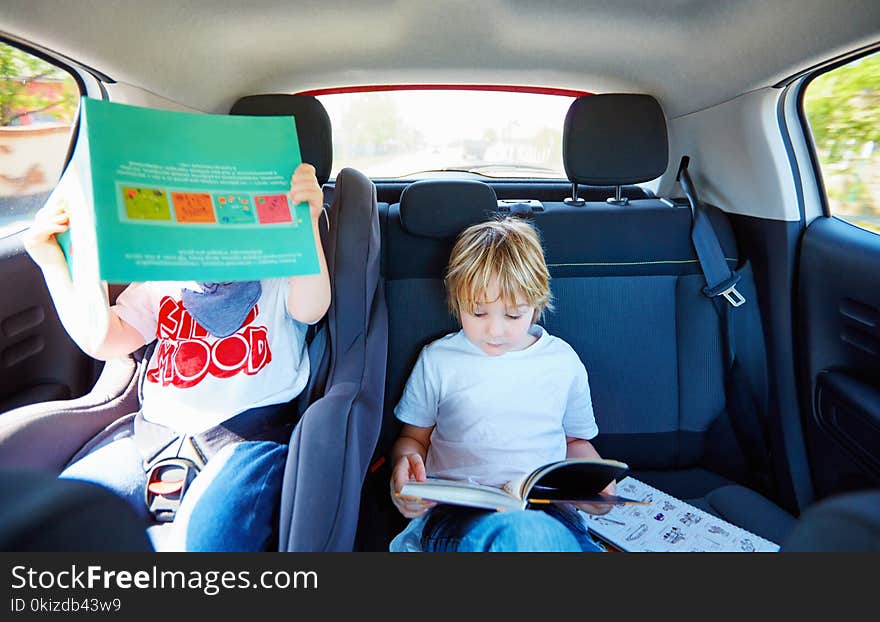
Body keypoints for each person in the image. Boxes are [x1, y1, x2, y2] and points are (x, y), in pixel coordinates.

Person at [23, 162, 329, 551]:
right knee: (55, 519)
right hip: (149, 439)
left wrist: (306, 224)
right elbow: (105, 340)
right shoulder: (161, 278)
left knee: (208, 541)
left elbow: (312, 308)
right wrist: (55, 264)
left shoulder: (277, 272)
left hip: (247, 440)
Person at [389, 216, 614, 552]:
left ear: (536, 306)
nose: (494, 331)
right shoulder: (439, 360)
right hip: (458, 513)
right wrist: (404, 472)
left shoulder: (562, 362)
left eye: (513, 315)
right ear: (457, 301)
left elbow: (574, 441)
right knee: (527, 538)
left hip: (550, 510)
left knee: (543, 536)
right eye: (478, 313)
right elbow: (413, 439)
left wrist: (594, 484)